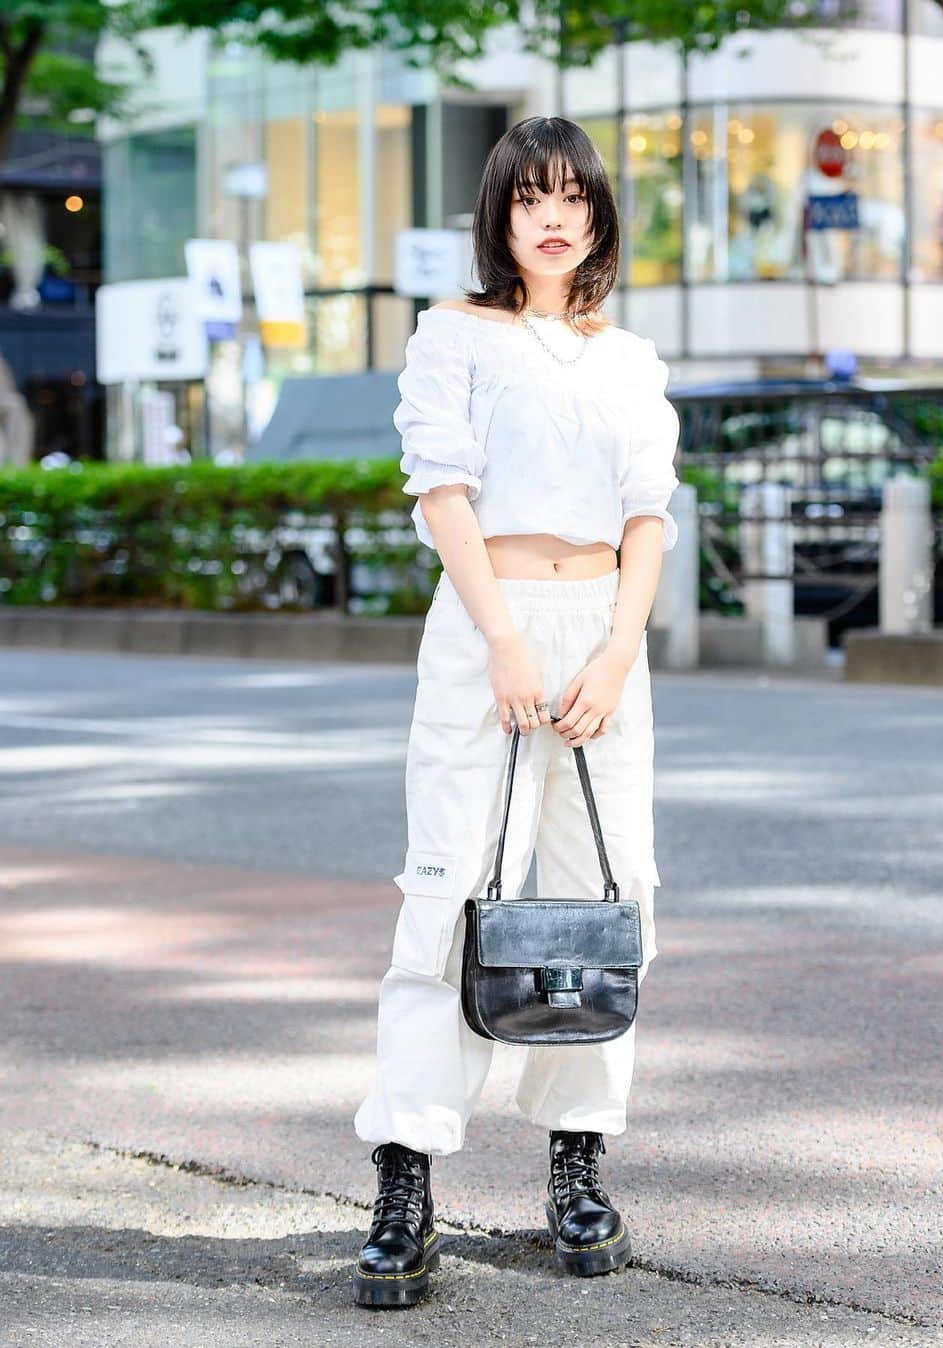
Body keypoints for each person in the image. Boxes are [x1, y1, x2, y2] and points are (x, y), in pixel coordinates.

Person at [351, 115, 680, 1308]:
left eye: (573, 198)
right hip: (486, 627)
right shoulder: (453, 335)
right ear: (499, 217)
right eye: (529, 196)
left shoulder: (630, 359)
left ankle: (578, 1169)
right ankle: (406, 1180)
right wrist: (500, 641)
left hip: (602, 638)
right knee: (447, 894)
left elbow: (650, 512)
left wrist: (614, 653)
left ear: (596, 218)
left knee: (603, 897)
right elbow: (443, 488)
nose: (553, 216)